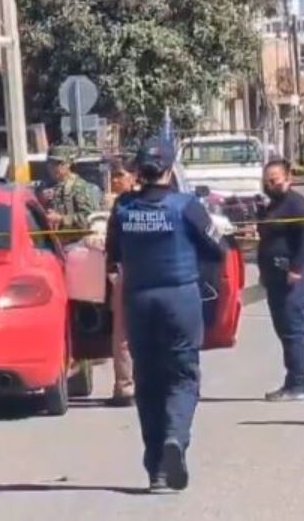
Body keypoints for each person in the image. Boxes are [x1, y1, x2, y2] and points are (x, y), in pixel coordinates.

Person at [106, 139, 224, 492]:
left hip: (139, 300)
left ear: (139, 172)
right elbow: (218, 247)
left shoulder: (124, 208)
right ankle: (175, 438)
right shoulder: (186, 206)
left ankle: (157, 468)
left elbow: (113, 254)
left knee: (148, 382)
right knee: (183, 376)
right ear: (170, 170)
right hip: (179, 299)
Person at [256, 159, 304, 402]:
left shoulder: (297, 204)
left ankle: (300, 384)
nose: (270, 185)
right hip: (273, 276)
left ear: (288, 177)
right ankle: (292, 380)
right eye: (267, 181)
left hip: (292, 276)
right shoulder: (271, 205)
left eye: (275, 180)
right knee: (283, 330)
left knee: (293, 330)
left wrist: (297, 269)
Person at [104, 156, 138, 407]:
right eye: (114, 175)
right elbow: (112, 240)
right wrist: (112, 268)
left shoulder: (129, 204)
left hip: (143, 272)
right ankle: (125, 386)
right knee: (124, 335)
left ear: (134, 176)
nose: (115, 180)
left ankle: (135, 385)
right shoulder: (121, 204)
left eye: (119, 175)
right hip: (128, 272)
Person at [38, 146, 100, 236]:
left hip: (74, 242)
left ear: (68, 164)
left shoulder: (79, 187)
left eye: (58, 164)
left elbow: (90, 218)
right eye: (50, 163)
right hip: (49, 242)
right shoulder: (44, 186)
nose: (52, 167)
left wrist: (61, 219)